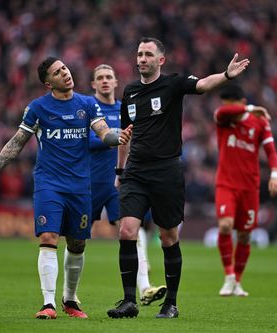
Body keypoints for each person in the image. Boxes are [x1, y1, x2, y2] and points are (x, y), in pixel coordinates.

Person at [0, 56, 132, 319]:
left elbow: (103, 133)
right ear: (47, 83)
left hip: (80, 185)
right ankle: (48, 303)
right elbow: (17, 142)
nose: (65, 73)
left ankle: (70, 299)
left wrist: (116, 136)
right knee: (48, 237)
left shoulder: (87, 104)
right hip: (49, 184)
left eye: (64, 68)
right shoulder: (38, 108)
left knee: (77, 245)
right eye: (57, 72)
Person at [107, 37, 250, 319]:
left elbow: (202, 85)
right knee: (126, 231)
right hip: (135, 171)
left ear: (161, 60)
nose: (142, 59)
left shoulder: (173, 84)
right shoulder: (131, 91)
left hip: (166, 171)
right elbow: (125, 136)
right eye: (139, 54)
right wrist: (120, 170)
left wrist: (225, 75)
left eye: (148, 54)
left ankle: (170, 303)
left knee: (168, 236)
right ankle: (128, 301)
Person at [89, 64, 166, 305]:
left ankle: (145, 288)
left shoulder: (126, 108)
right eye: (99, 78)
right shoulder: (88, 109)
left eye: (108, 77)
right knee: (76, 238)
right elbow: (87, 142)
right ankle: (70, 295)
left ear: (115, 82)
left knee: (131, 228)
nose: (104, 81)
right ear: (93, 84)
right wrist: (114, 137)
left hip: (119, 181)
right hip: (89, 182)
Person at [214, 83, 277, 297]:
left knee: (244, 236)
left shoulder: (259, 123)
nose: (226, 107)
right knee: (225, 226)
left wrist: (275, 174)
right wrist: (250, 108)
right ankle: (228, 276)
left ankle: (238, 282)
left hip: (250, 187)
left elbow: (270, 150)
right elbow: (222, 112)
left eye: (230, 103)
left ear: (240, 101)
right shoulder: (224, 119)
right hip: (226, 183)